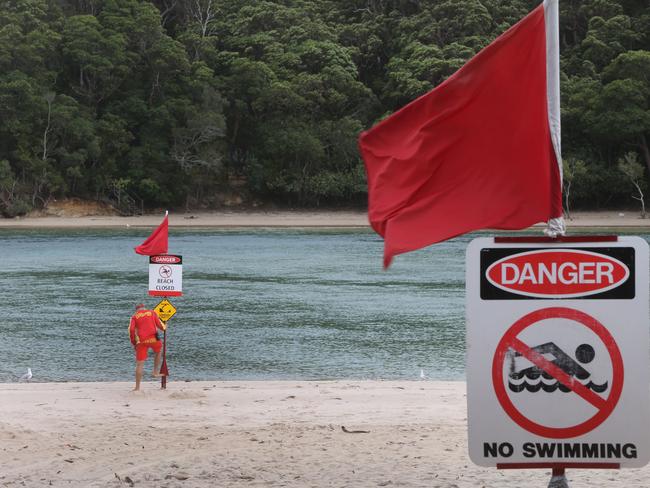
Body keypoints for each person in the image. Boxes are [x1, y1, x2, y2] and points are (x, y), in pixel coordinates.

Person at [128, 303, 166, 391]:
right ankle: (155, 372)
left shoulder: (134, 316)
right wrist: (164, 328)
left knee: (140, 364)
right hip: (154, 338)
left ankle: (137, 388)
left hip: (142, 341)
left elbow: (131, 330)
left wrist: (134, 342)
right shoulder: (152, 312)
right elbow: (159, 325)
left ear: (137, 310)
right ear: (144, 308)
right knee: (159, 350)